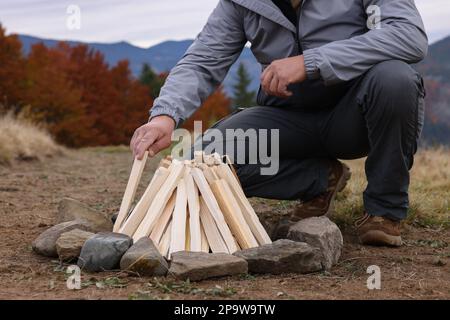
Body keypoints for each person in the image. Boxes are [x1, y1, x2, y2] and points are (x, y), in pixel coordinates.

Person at [130, 0, 428, 246]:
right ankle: (320, 178)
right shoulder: (239, 3)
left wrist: (312, 61)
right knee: (199, 162)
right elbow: (203, 60)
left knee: (396, 79)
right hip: (286, 120)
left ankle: (383, 210)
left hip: (354, 117)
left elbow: (407, 35)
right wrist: (164, 116)